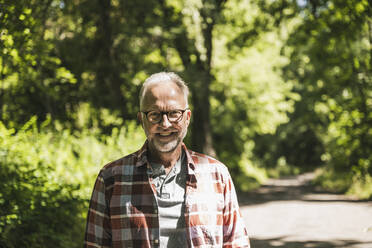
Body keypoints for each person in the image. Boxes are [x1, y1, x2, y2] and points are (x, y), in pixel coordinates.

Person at [84, 72, 250, 247]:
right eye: (155, 114)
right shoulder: (111, 179)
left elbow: (236, 243)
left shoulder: (217, 175)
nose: (165, 124)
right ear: (142, 119)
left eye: (174, 113)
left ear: (187, 118)